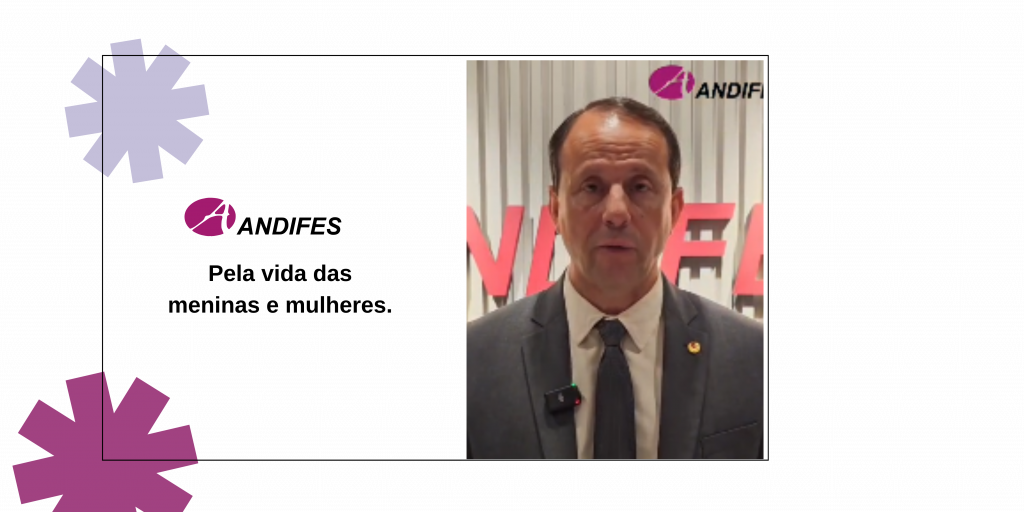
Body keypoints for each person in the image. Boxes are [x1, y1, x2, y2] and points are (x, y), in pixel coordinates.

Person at [466, 97, 763, 459]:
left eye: (640, 187)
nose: (617, 212)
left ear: (674, 209)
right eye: (592, 187)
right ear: (556, 208)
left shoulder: (753, 357)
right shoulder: (475, 359)